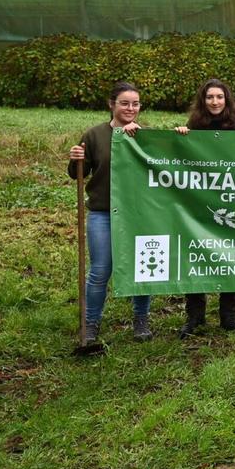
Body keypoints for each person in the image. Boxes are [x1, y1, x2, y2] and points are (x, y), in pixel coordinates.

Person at [68, 82, 152, 343]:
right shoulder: (94, 135)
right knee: (101, 270)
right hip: (102, 213)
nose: (130, 108)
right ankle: (91, 324)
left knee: (142, 268)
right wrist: (76, 158)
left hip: (138, 214)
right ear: (112, 104)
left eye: (135, 104)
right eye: (124, 103)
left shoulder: (146, 136)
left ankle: (141, 319)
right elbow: (77, 174)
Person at [174, 78, 235, 337]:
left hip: (231, 201)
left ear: (226, 99)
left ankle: (230, 315)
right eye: (210, 97)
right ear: (203, 100)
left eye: (219, 97)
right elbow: (182, 156)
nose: (215, 101)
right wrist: (181, 137)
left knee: (230, 256)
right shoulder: (194, 124)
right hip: (200, 202)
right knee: (195, 257)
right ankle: (194, 316)